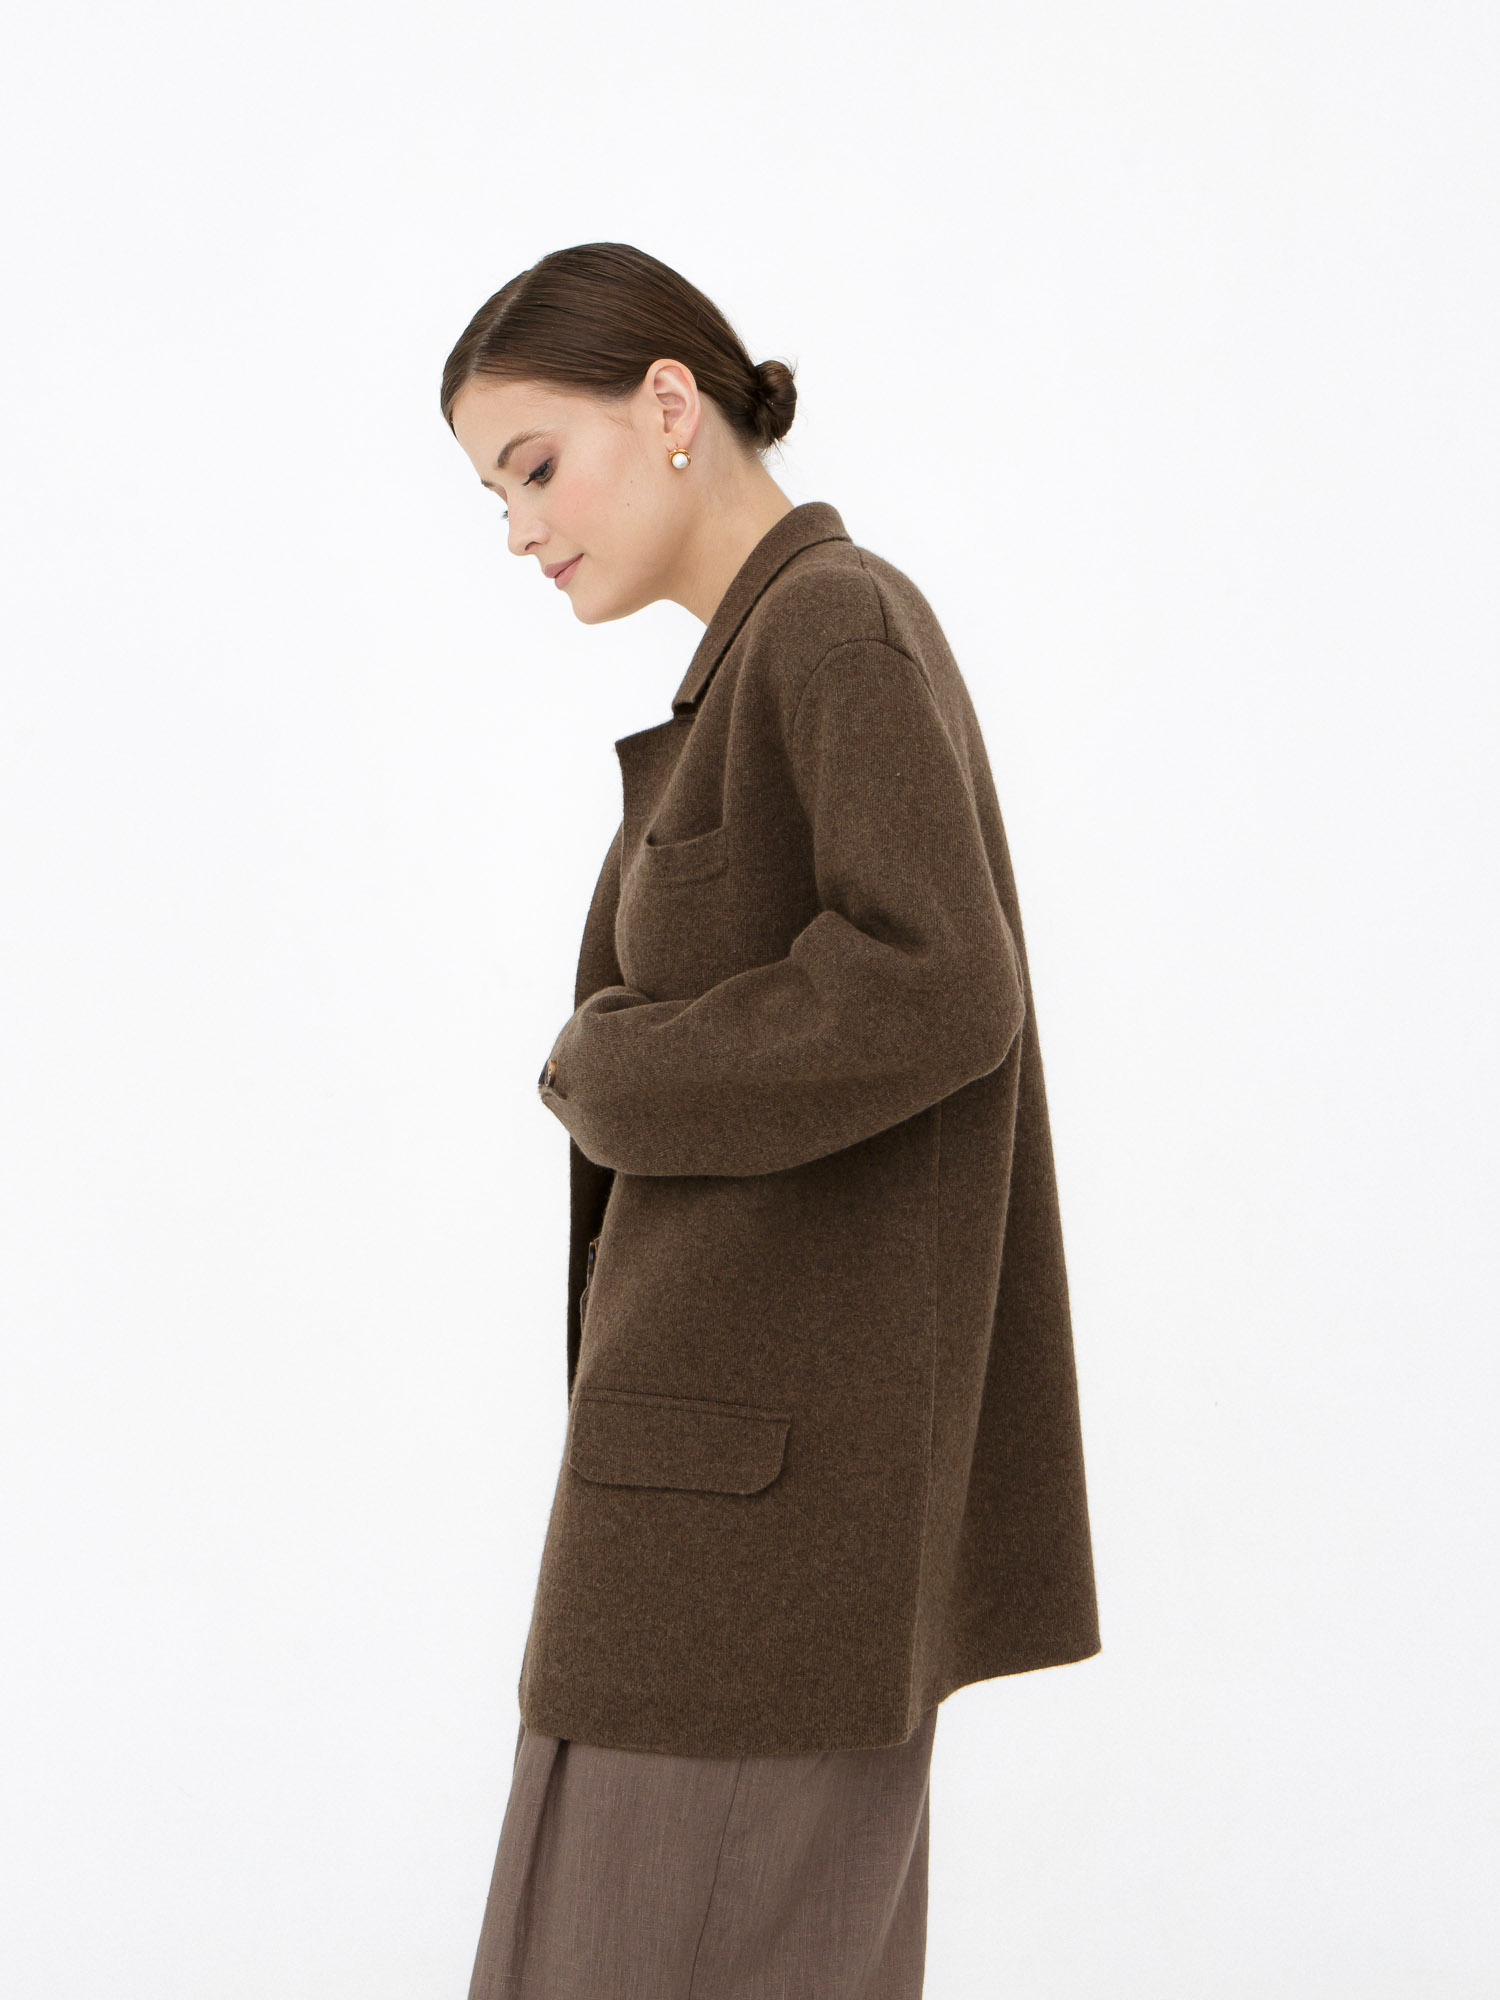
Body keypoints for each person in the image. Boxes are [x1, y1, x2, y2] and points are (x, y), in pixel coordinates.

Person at [440, 241, 1100, 2000]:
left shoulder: (832, 625)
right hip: (725, 1519)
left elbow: (939, 979)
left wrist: (612, 1068)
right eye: (495, 496)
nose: (518, 530)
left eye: (532, 468)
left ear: (669, 403)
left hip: (758, 1541)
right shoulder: (766, 655)